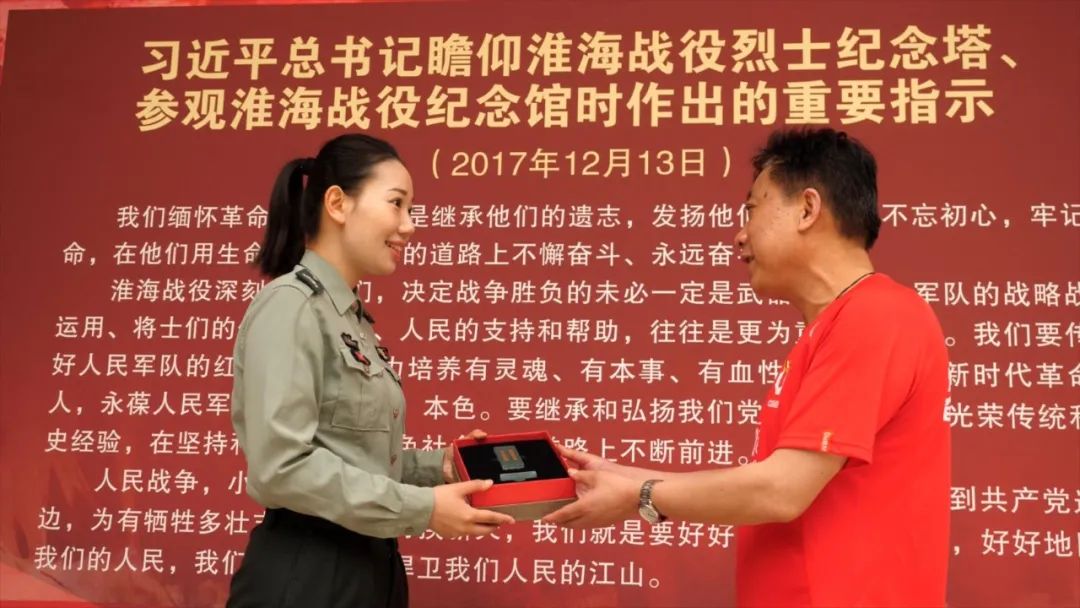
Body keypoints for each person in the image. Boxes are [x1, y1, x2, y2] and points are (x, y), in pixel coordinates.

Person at [545, 128, 951, 607]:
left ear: (808, 209)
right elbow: (773, 480)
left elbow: (781, 491)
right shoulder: (836, 325)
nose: (739, 236)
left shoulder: (876, 315)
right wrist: (626, 478)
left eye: (752, 209)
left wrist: (640, 495)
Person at [227, 133, 514, 608]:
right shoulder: (291, 306)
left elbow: (352, 457)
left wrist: (438, 468)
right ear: (337, 204)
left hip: (369, 569)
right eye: (396, 204)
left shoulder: (350, 320)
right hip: (309, 575)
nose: (409, 226)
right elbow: (282, 467)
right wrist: (423, 509)